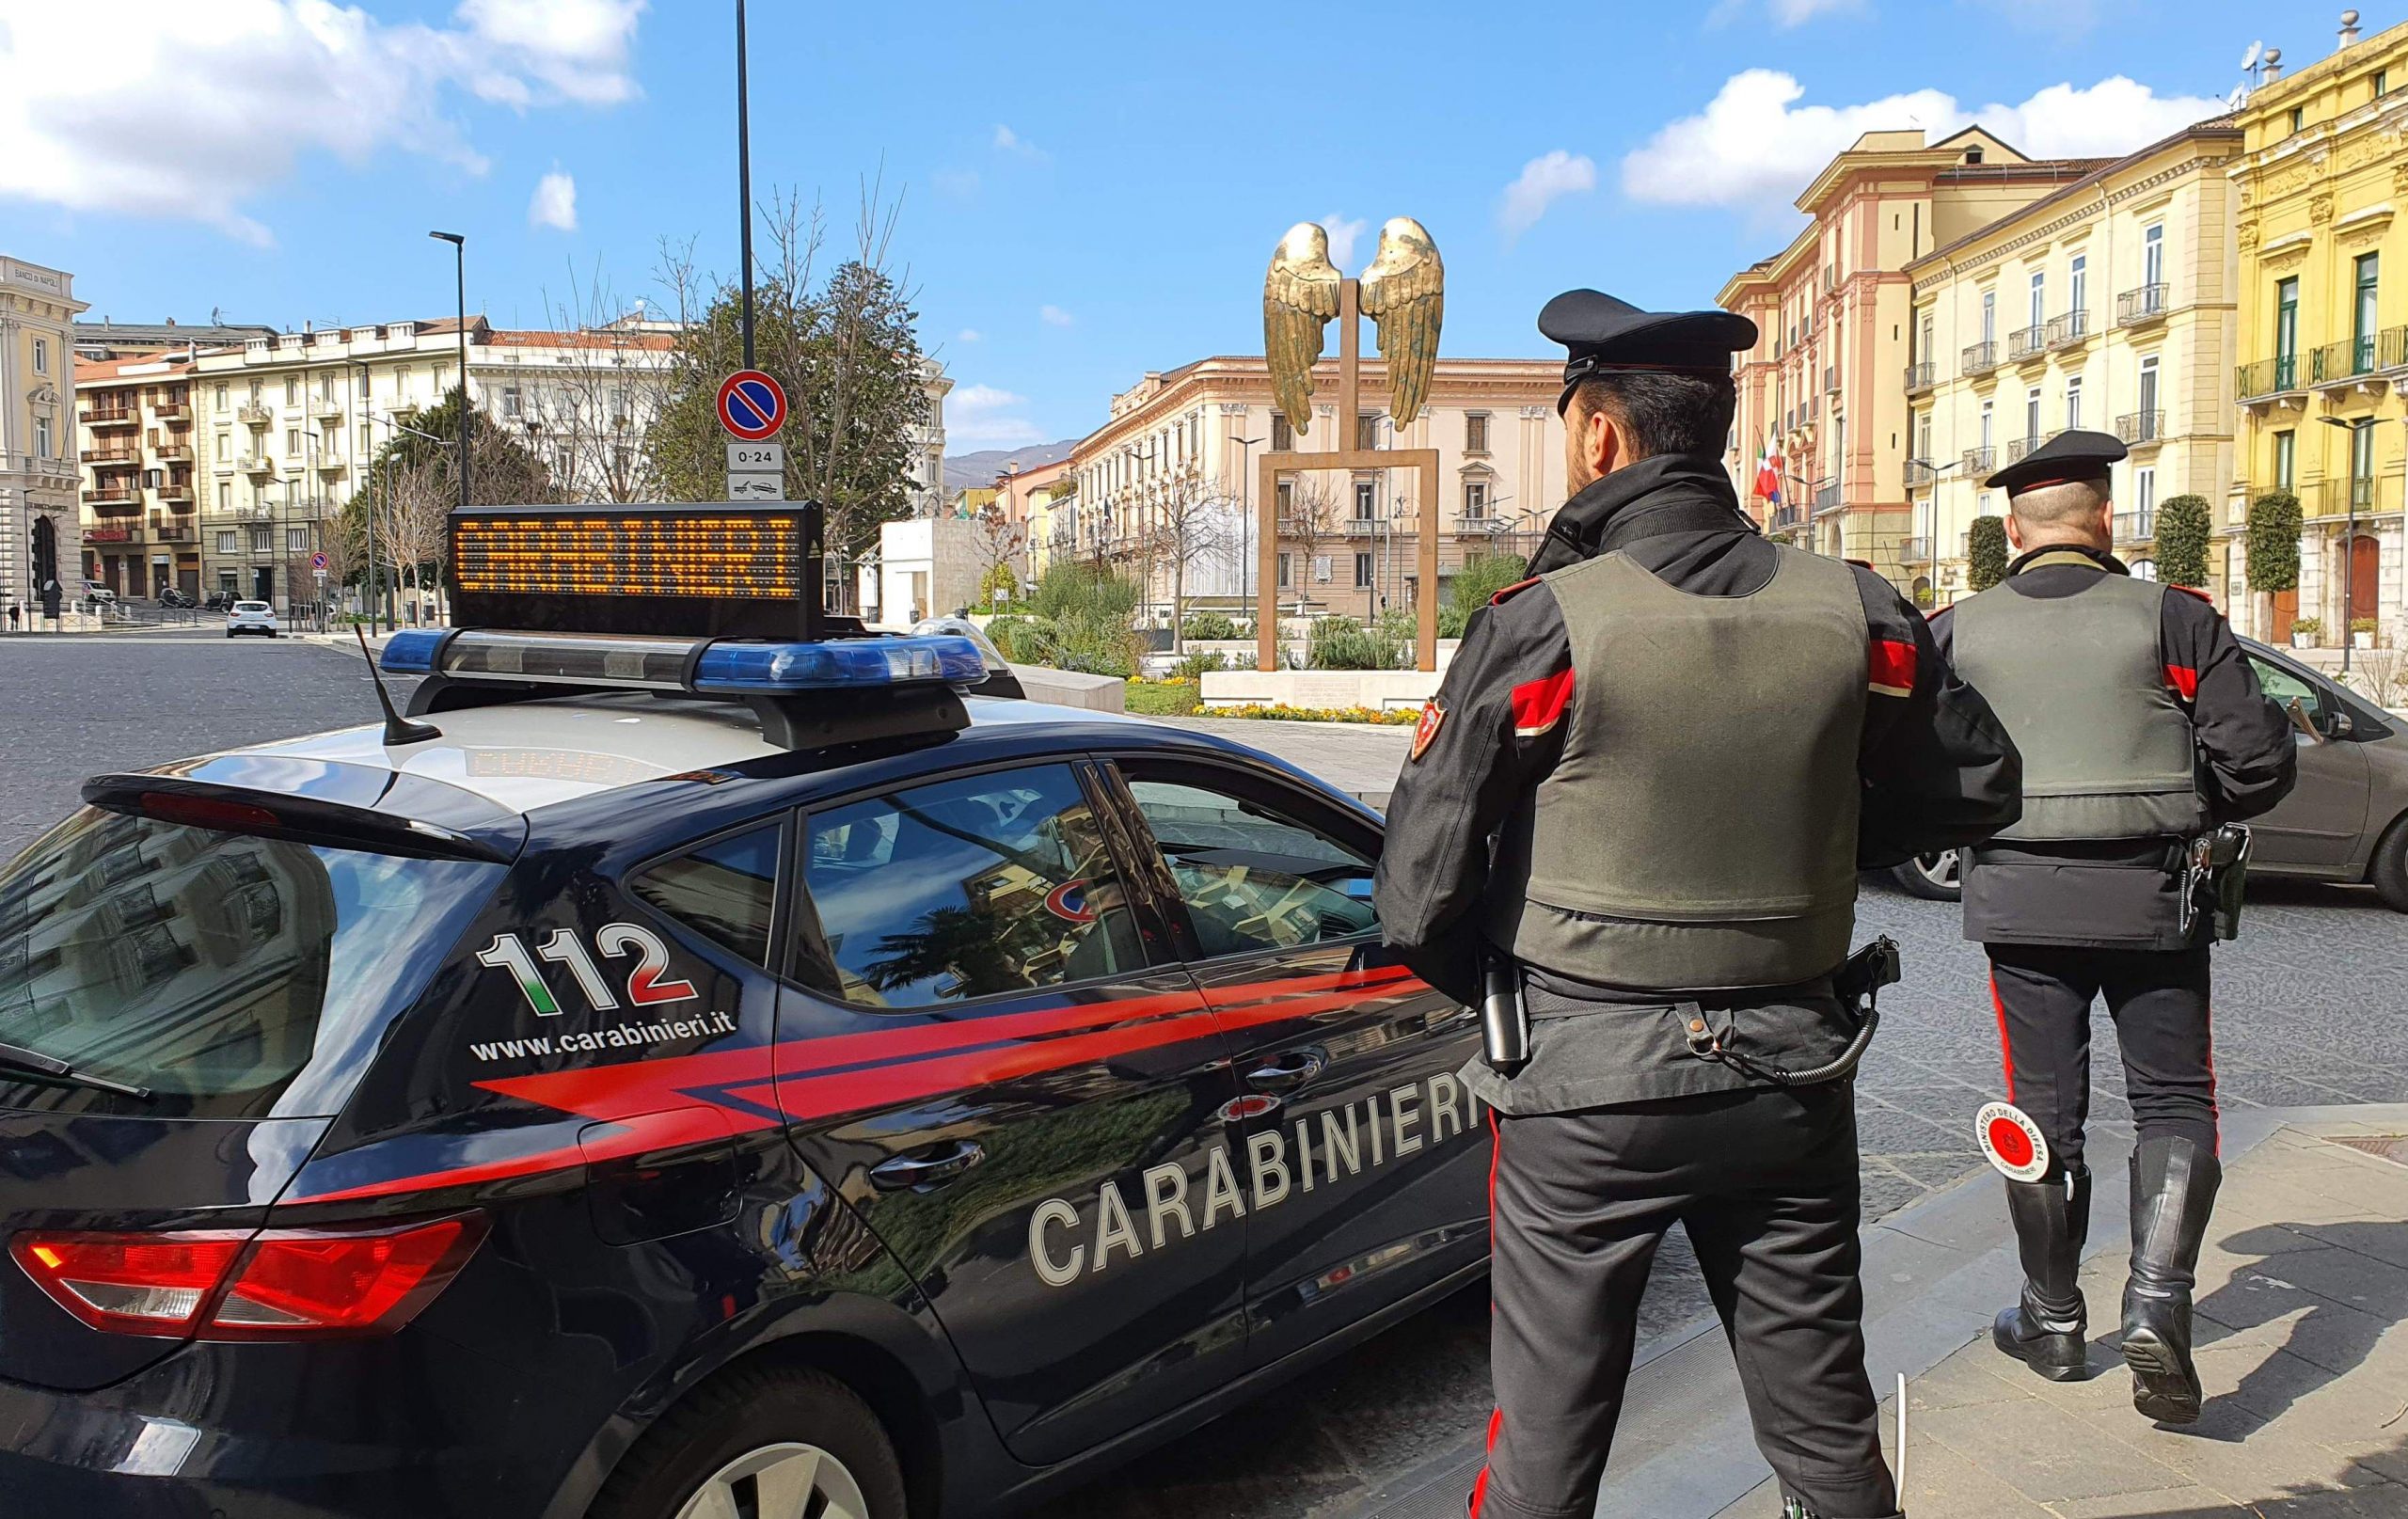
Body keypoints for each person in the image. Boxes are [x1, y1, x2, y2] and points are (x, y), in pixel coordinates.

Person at [1374, 289, 2023, 1519]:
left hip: (1584, 1091)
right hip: (1791, 1070)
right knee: (1825, 1425)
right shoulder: (1861, 610)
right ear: (1714, 431)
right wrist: (1827, 846)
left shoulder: (1542, 629)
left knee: (1545, 1444)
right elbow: (1981, 783)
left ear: (1600, 439)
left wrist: (1529, 985)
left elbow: (1415, 897)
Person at [1936, 430, 2296, 1424]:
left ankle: (2052, 1321)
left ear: (2013, 529)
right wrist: (2189, 802)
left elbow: (1908, 770)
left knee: (2041, 1115)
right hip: (2153, 895)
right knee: (2174, 1098)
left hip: (2017, 901)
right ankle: (2157, 1300)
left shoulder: (1956, 629)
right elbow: (2259, 763)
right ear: (2105, 518)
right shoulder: (2173, 619)